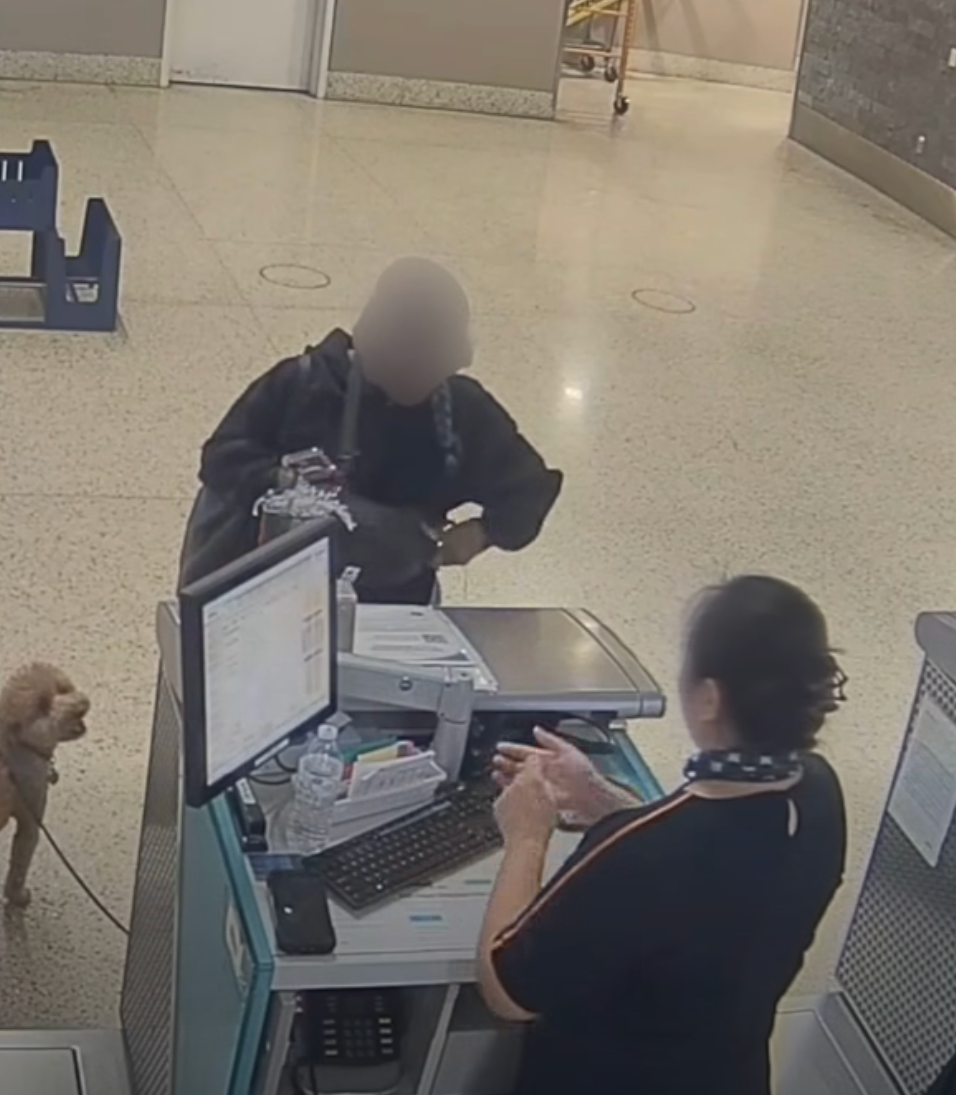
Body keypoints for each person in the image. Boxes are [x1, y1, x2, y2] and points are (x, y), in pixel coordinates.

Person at [477, 575, 849, 1095]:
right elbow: (711, 870)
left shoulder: (645, 857)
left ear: (709, 699)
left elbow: (506, 991)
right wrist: (605, 801)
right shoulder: (819, 790)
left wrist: (527, 832)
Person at [179, 256, 562, 603]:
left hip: (396, 611)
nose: (419, 379)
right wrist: (286, 484)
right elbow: (221, 457)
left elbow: (531, 489)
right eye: (408, 365)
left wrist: (484, 532)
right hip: (279, 598)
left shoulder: (462, 412)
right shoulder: (303, 387)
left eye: (432, 370)